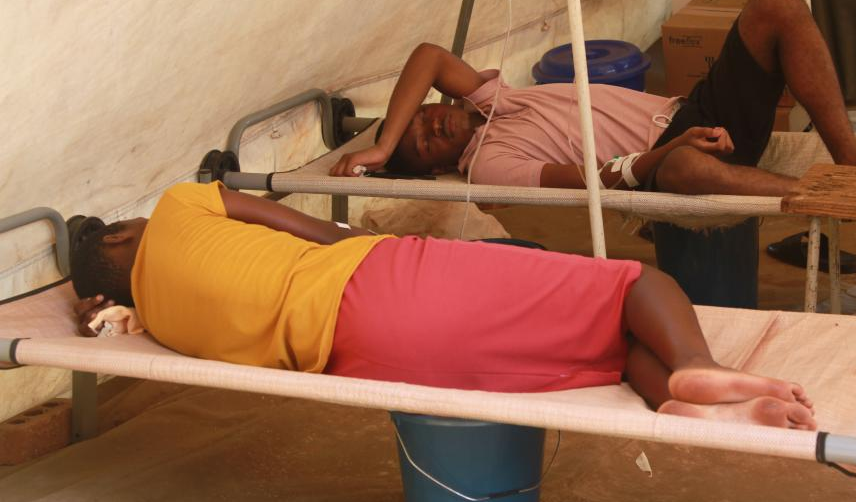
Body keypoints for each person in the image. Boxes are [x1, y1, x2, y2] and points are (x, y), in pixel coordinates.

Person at [70, 181, 815, 430]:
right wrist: (366, 240)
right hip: (379, 282)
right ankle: (692, 367)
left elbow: (116, 314)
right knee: (626, 284)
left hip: (368, 361)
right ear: (121, 234)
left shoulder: (157, 321)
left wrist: (110, 309)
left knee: (612, 349)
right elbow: (299, 225)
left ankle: (677, 404)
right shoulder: (178, 205)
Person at [328, 0, 856, 196]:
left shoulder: (490, 98)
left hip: (694, 111)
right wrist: (672, 148)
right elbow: (592, 180)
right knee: (685, 170)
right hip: (663, 159)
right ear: (439, 167)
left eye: (423, 117)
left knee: (775, 4)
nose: (432, 125)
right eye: (425, 143)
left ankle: (850, 161)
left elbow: (428, 55)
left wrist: (382, 144)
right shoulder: (489, 164)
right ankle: (819, 194)